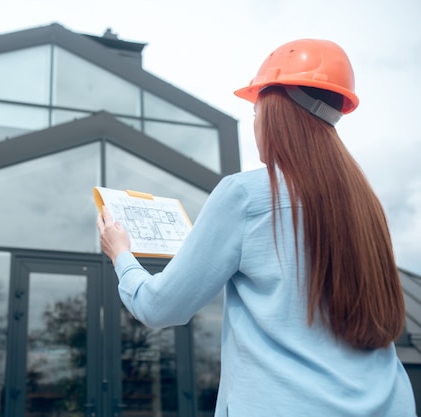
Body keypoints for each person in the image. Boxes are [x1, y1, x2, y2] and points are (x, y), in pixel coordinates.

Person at [96, 39, 416, 416]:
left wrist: (121, 255)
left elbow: (159, 306)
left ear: (275, 112)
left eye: (256, 113)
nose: (256, 125)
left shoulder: (245, 195)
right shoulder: (366, 204)